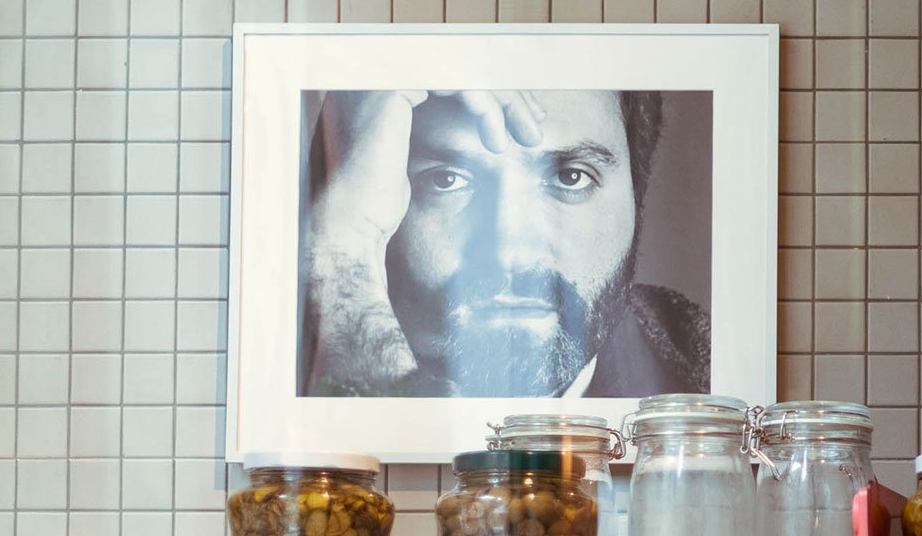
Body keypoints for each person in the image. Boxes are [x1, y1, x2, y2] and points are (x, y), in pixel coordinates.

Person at [300, 88, 708, 398]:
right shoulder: (278, 373)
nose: (512, 253)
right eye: (446, 180)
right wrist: (342, 250)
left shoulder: (709, 373)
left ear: (637, 193)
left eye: (570, 177)